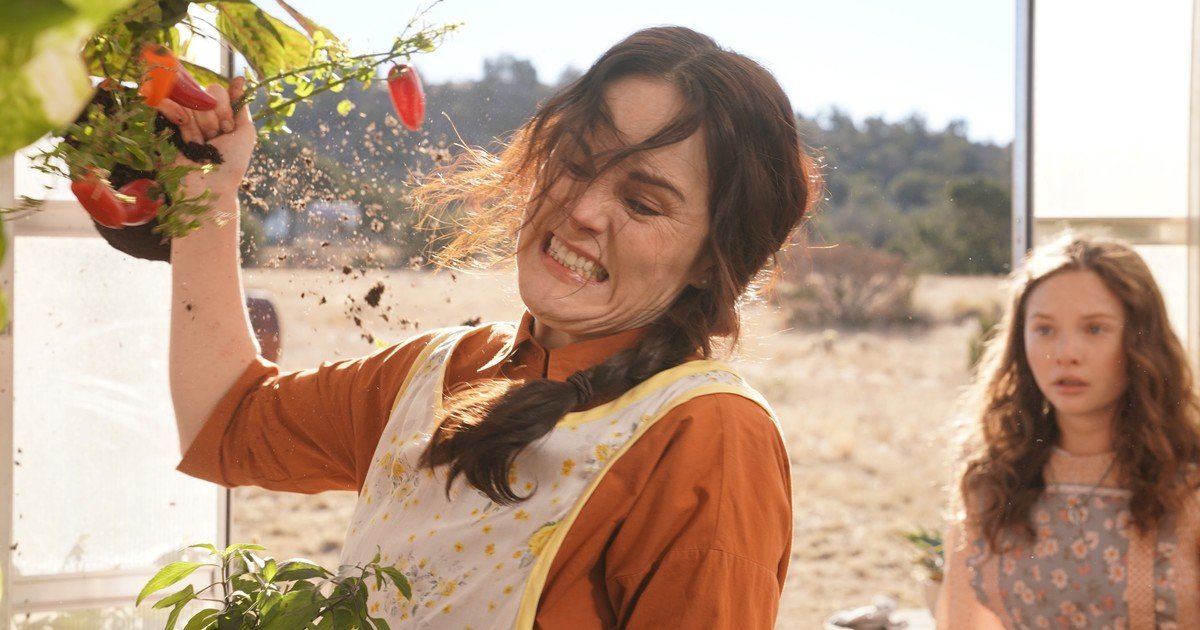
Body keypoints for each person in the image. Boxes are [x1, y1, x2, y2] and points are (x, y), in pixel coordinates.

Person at [162, 26, 818, 627]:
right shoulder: (439, 373)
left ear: (711, 259)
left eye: (642, 202)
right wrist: (207, 191)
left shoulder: (707, 436)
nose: (584, 209)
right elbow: (227, 423)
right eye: (577, 163)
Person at [937, 233, 1200, 628]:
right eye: (1044, 329)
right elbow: (963, 621)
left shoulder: (1189, 481)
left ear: (1140, 340)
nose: (1065, 354)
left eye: (1094, 329)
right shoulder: (992, 477)